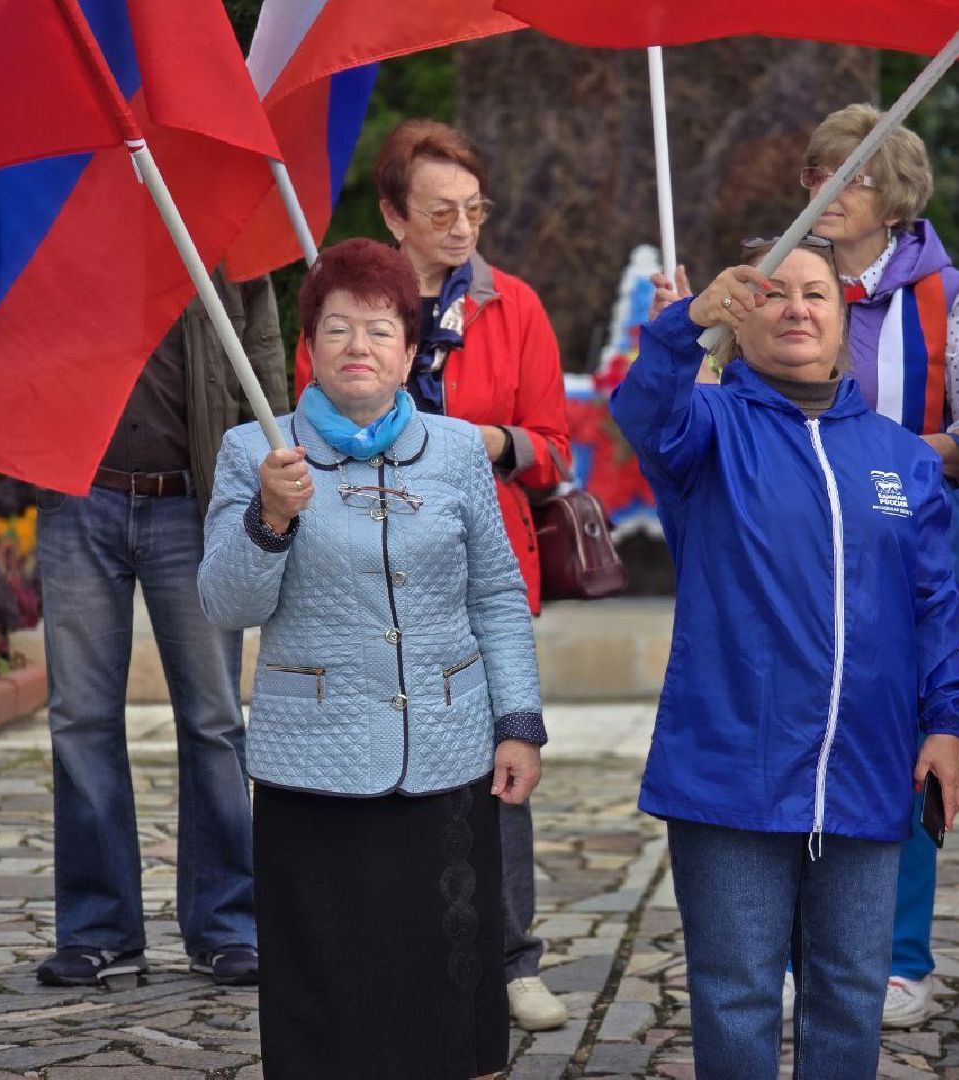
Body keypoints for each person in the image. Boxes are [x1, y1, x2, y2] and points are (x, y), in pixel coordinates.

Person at [651, 103, 959, 1026]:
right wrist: (682, 329)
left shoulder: (902, 456)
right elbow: (648, 411)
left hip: (867, 767)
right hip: (731, 771)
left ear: (847, 322)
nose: (797, 308)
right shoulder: (710, 428)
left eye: (816, 296)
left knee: (848, 995)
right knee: (734, 999)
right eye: (773, 294)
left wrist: (947, 721)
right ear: (743, 316)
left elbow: (934, 607)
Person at [199, 237, 545, 1080]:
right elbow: (227, 605)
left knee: (443, 968)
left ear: (412, 351)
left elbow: (496, 595)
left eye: (382, 329)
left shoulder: (460, 450)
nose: (360, 347)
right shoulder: (256, 454)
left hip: (446, 753)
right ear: (308, 346)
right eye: (339, 328)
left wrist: (518, 722)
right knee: (328, 983)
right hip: (314, 766)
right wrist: (269, 522)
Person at [293, 118, 571, 1032]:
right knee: (394, 770)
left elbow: (555, 449)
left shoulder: (514, 306)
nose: (462, 227)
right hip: (361, 583)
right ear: (392, 215)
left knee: (500, 757)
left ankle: (512, 956)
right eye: (441, 211)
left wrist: (476, 441)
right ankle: (411, 950)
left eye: (475, 209)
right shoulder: (345, 308)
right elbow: (311, 420)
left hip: (483, 567)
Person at [34, 273, 285, 990]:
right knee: (80, 720)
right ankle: (98, 930)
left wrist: (273, 473)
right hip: (78, 498)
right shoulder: (71, 228)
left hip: (194, 502)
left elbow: (262, 363)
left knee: (212, 719)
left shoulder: (220, 232)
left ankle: (228, 924)